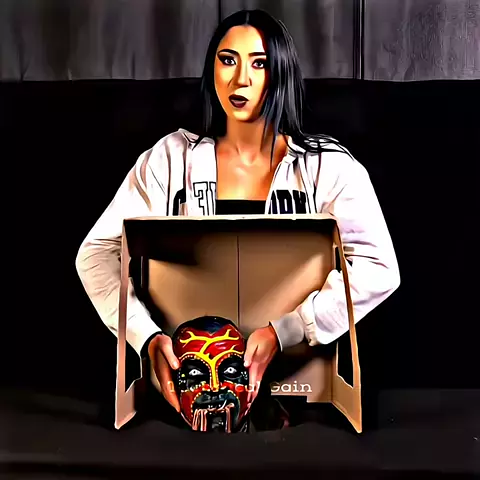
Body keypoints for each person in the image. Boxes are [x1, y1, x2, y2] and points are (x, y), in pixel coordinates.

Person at [75, 9, 400, 422]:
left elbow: (378, 266)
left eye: (259, 63)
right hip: (186, 392)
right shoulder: (170, 161)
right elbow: (96, 254)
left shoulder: (326, 167)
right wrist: (146, 337)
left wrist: (288, 330)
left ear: (280, 72)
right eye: (228, 59)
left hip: (300, 393)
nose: (240, 79)